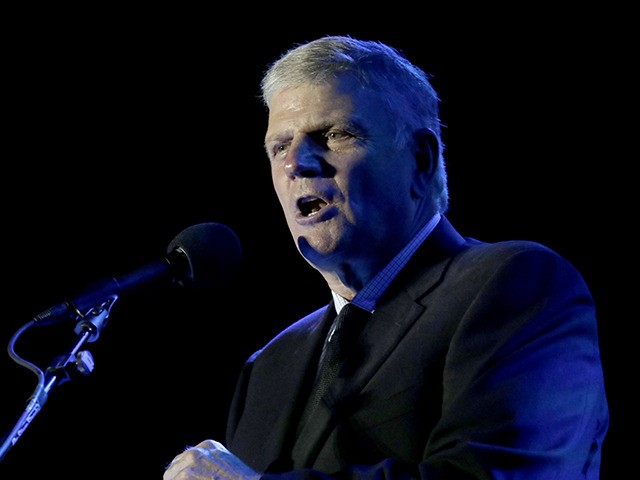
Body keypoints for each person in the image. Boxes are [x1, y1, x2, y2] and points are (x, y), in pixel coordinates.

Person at [163, 35, 609, 479]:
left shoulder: (518, 286)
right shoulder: (268, 367)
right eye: (279, 146)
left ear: (420, 159)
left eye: (334, 134)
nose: (296, 163)